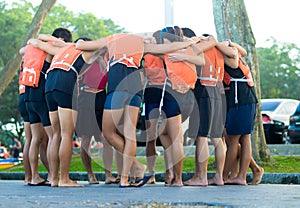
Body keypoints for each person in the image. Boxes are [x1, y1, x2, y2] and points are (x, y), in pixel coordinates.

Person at [76, 32, 201, 187]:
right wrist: (187, 42)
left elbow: (81, 45)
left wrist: (81, 40)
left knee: (111, 132)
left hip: (121, 87)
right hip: (133, 87)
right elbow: (168, 47)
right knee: (123, 133)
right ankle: (130, 173)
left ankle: (130, 172)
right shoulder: (138, 44)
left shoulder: (113, 40)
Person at [26, 31, 103, 187]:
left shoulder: (63, 50)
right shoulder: (86, 51)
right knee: (67, 134)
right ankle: (64, 178)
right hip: (65, 83)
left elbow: (40, 41)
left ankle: (53, 178)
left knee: (56, 135)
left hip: (49, 84)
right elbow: (103, 50)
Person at [19, 27, 73, 186]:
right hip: (41, 95)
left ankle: (30, 177)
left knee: (33, 139)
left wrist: (34, 41)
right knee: (54, 136)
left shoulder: (32, 49)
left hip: (26, 95)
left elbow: (24, 48)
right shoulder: (51, 49)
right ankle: (54, 176)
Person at [181, 29, 227, 186]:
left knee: (201, 136)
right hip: (217, 90)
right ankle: (219, 176)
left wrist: (192, 41)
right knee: (216, 137)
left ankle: (201, 177)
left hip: (203, 89)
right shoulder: (217, 48)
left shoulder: (198, 45)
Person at [75, 37, 121, 185]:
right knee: (86, 139)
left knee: (107, 137)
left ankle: (108, 175)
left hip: (101, 96)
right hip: (85, 97)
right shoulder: (82, 61)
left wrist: (103, 58)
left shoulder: (104, 60)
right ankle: (91, 175)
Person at [216, 40, 262, 185]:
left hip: (241, 100)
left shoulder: (231, 57)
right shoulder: (235, 56)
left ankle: (224, 176)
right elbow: (242, 51)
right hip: (244, 99)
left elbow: (236, 53)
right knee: (242, 139)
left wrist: (214, 43)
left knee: (233, 140)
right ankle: (241, 174)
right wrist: (229, 42)